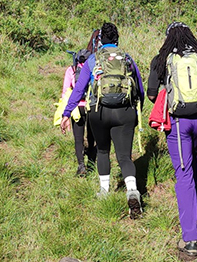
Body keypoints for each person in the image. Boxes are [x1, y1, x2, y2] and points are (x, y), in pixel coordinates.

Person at [146, 22, 197, 256]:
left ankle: (190, 237)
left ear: (168, 38)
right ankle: (196, 214)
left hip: (178, 124)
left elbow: (150, 93)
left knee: (184, 174)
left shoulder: (162, 59)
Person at [60, 22, 145, 218]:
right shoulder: (127, 58)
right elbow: (139, 89)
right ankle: (132, 190)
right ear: (117, 39)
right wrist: (135, 111)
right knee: (124, 156)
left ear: (100, 41)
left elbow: (79, 89)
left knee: (103, 150)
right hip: (125, 111)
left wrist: (67, 113)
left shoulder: (93, 60)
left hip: (99, 112)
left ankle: (104, 192)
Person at [60, 29, 100, 176]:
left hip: (76, 108)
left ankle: (81, 166)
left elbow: (66, 92)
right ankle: (91, 162)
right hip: (90, 106)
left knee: (78, 137)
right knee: (91, 136)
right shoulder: (93, 69)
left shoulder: (71, 70)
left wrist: (66, 113)